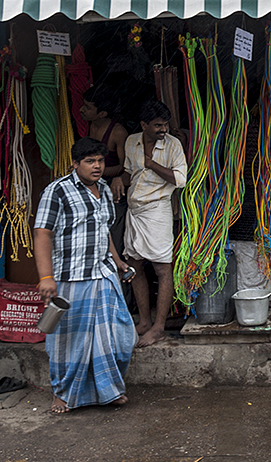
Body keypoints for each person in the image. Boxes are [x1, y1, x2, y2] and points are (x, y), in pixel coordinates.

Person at [34, 137, 137, 414]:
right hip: (70, 277)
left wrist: (118, 261)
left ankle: (109, 390)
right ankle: (63, 395)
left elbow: (103, 231)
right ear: (75, 163)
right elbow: (43, 233)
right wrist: (46, 278)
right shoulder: (57, 191)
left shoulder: (103, 189)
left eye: (101, 161)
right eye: (90, 161)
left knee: (117, 335)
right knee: (67, 341)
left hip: (102, 274)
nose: (97, 166)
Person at [120, 100, 187, 347]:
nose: (163, 129)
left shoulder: (173, 145)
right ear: (144, 125)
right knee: (134, 265)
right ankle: (145, 321)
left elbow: (180, 179)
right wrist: (119, 180)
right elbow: (130, 172)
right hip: (135, 209)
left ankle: (159, 327)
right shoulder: (131, 141)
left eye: (165, 124)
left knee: (162, 268)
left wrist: (152, 164)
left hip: (158, 210)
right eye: (158, 125)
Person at [80, 86, 130, 255]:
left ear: (102, 114)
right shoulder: (86, 125)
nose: (82, 110)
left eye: (87, 107)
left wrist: (95, 172)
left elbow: (124, 168)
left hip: (112, 191)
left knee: (112, 239)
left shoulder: (117, 133)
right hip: (90, 189)